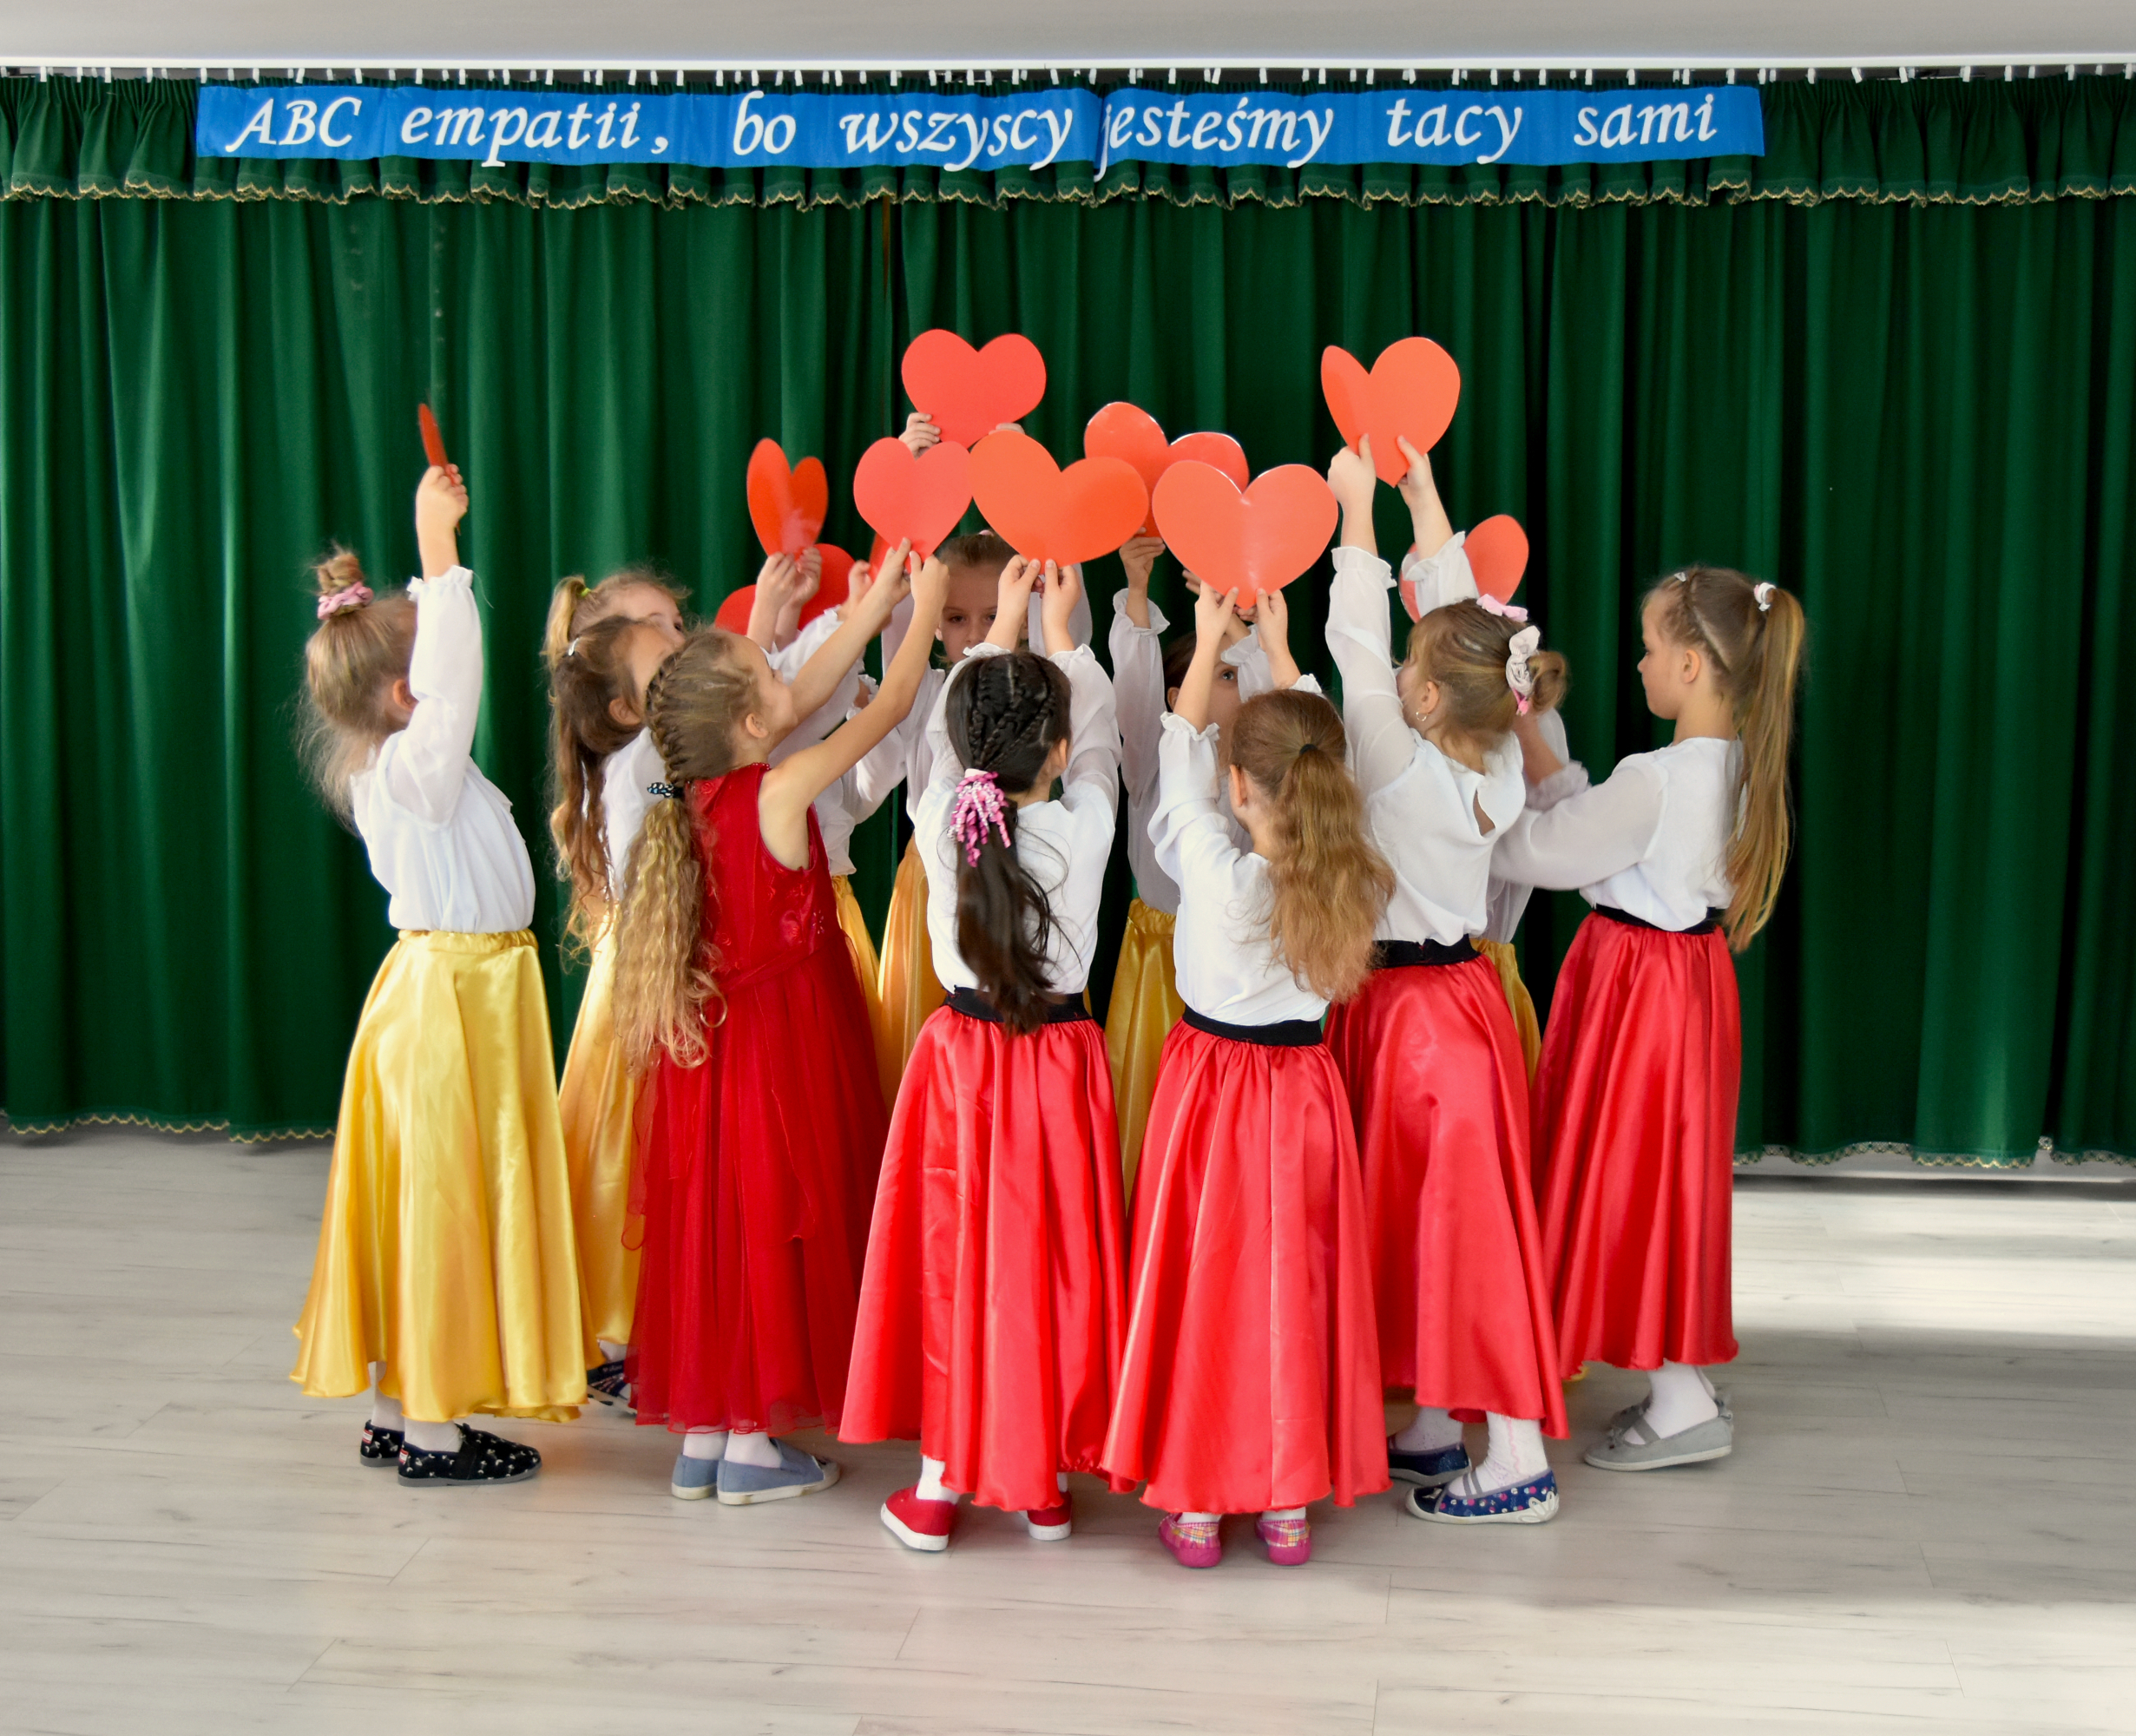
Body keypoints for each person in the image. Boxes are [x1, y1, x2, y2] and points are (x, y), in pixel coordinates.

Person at [612, 542, 949, 1503]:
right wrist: (917, 612)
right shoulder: (782, 787)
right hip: (778, 1048)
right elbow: (884, 707)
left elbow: (804, 686)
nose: (788, 675)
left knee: (714, 1228)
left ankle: (706, 1435)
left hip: (710, 1057)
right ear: (755, 721)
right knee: (764, 1224)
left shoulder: (696, 796)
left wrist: (875, 596)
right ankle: (751, 1447)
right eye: (770, 673)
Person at [292, 464, 586, 1484]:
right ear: (399, 694)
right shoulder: (418, 762)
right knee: (447, 1204)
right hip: (457, 1000)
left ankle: (397, 1407)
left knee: (425, 1199)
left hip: (448, 994)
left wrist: (430, 580)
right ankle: (431, 1431)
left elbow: (441, 686)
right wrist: (440, 557)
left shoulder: (401, 766)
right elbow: (454, 687)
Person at [1102, 582, 1392, 1569]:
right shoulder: (1355, 875)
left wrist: (1214, 646)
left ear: (1240, 786)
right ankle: (1284, 1493)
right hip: (1304, 1094)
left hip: (1211, 1092)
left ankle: (1196, 1491)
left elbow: (1176, 761)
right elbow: (1308, 746)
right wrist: (1277, 651)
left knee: (1203, 1284)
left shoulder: (1217, 874)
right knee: (1288, 1287)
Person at [1493, 565, 1807, 1470]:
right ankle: (1682, 1378)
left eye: (1650, 648)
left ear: (1696, 665)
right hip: (1688, 981)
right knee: (1671, 1180)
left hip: (1634, 988)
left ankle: (1678, 1396)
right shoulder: (1740, 761)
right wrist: (1536, 750)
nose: (1637, 664)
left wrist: (1460, 807)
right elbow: (1596, 828)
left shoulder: (1657, 777)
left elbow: (1546, 850)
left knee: (1627, 1178)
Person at [846, 557, 1128, 1552]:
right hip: (1056, 1064)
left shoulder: (937, 817)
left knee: (956, 1266)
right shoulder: (1086, 823)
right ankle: (1041, 1481)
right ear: (1052, 750)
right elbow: (1097, 740)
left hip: (962, 1062)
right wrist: (1063, 634)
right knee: (1046, 1267)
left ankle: (937, 1482)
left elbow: (942, 738)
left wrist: (999, 625)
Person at [1320, 437, 1570, 1525]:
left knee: (1459, 1232)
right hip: (1459, 1002)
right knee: (1450, 1221)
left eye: (1415, 674)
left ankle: (1514, 1456)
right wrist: (1422, 503)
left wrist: (1357, 517)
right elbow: (1460, 645)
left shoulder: (1389, 755)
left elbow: (1353, 642)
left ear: (1425, 698)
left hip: (1411, 1018)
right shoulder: (1500, 757)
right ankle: (1434, 1423)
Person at [1103, 539, 1291, 1190]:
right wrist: (1136, 583)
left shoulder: (1264, 777)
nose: (1242, 684)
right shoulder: (1154, 760)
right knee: (1153, 1113)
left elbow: (1279, 693)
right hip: (1162, 960)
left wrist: (1243, 632)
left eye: (1239, 673)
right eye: (1224, 675)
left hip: (1242, 983)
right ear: (1182, 690)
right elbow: (1134, 686)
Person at [543, 569, 688, 1407]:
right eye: (653, 630)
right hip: (643, 980)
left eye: (677, 622)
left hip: (632, 971)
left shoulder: (637, 755)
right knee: (630, 1156)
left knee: (626, 1153)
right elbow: (670, 801)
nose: (675, 638)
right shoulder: (646, 761)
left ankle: (623, 1335)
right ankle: (618, 1342)